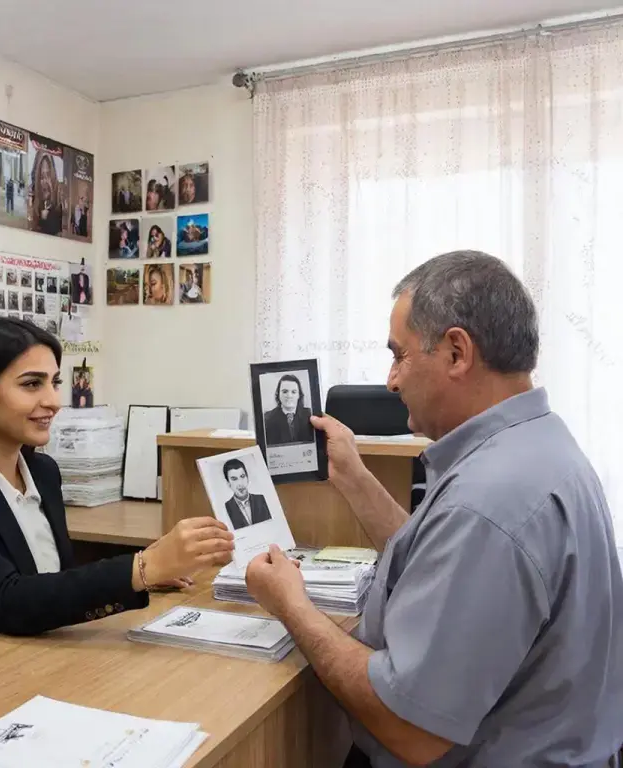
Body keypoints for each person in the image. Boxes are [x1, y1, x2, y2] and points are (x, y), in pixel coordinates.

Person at [246, 250, 623, 768]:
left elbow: (409, 727)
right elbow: (443, 561)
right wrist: (356, 479)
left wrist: (292, 606)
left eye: (399, 355)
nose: (391, 381)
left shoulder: (488, 500)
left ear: (456, 353)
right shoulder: (537, 447)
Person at [0, 318, 234, 675]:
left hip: (34, 664)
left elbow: (50, 579)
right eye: (31, 384)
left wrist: (149, 574)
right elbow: (6, 601)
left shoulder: (43, 472)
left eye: (54, 383)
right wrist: (140, 568)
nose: (53, 401)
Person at [263, 374, 314, 446]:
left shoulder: (310, 415)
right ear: (278, 394)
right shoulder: (267, 418)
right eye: (285, 391)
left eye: (293, 392)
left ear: (299, 395)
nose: (289, 396)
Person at [222, 459, 271, 530]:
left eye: (242, 476)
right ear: (228, 483)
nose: (240, 483)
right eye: (234, 479)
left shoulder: (261, 499)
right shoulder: (227, 507)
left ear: (247, 478)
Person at [31, 153, 63, 236]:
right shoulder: (34, 202)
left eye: (48, 175)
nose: (46, 181)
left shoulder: (60, 203)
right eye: (42, 177)